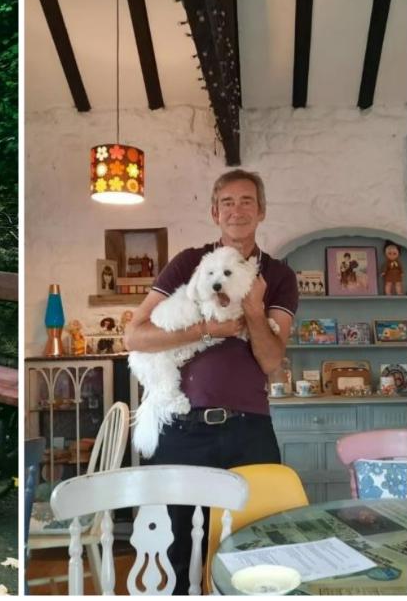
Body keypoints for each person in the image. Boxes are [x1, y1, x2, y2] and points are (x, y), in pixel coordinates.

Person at [123, 169, 297, 594]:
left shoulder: (279, 276)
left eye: (247, 201)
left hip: (249, 430)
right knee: (178, 555)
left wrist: (254, 310)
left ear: (262, 211)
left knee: (257, 548)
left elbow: (271, 360)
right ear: (214, 212)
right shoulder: (189, 263)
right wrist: (205, 330)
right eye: (227, 203)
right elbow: (134, 336)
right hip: (183, 431)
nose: (237, 210)